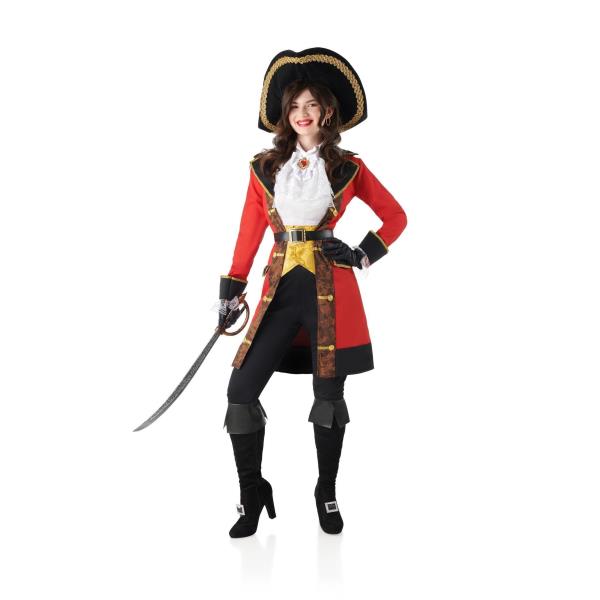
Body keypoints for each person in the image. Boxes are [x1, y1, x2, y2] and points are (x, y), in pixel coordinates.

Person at [217, 47, 408, 538]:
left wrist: (361, 253)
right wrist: (231, 292)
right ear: (286, 114)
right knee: (240, 392)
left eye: (311, 105)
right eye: (294, 106)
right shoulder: (264, 167)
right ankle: (251, 494)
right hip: (278, 290)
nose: (302, 114)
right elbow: (248, 234)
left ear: (326, 111)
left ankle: (326, 491)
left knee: (328, 397)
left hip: (331, 292)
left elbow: (396, 217)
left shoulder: (348, 167)